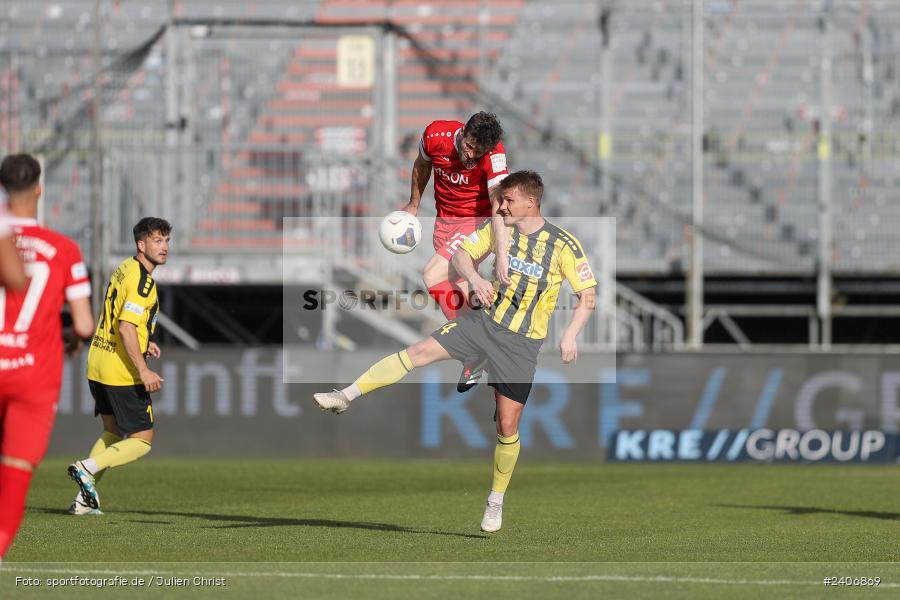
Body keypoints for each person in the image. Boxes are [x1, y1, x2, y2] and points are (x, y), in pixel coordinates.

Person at [316, 171, 597, 532]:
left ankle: (495, 501)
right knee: (417, 352)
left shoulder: (564, 245)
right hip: (481, 325)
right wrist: (477, 279)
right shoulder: (502, 230)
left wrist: (571, 334)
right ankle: (345, 395)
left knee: (507, 424)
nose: (502, 205)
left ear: (531, 202)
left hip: (521, 345)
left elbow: (586, 294)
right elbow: (463, 254)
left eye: (509, 200)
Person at [0, 154, 94, 559]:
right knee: (14, 479)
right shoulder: (64, 249)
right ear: (39, 189)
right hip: (33, 375)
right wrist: (69, 337)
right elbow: (86, 326)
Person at [402, 111, 511, 393]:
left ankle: (477, 350)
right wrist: (414, 204)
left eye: (479, 151)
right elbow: (421, 165)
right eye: (470, 146)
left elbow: (499, 207)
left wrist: (501, 253)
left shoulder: (494, 153)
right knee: (456, 291)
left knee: (431, 273)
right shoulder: (435, 135)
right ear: (463, 132)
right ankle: (481, 350)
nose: (472, 154)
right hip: (445, 223)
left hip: (477, 224)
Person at [67, 217, 169, 515]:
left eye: (166, 241)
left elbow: (120, 318)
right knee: (142, 440)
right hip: (119, 370)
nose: (164, 248)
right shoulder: (143, 282)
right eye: (157, 241)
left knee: (111, 431)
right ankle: (87, 467)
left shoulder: (125, 267)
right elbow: (125, 327)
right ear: (141, 244)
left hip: (97, 362)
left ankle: (83, 500)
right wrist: (143, 370)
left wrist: (144, 340)